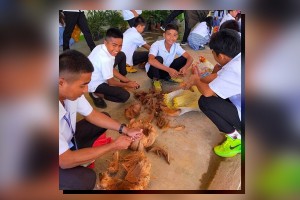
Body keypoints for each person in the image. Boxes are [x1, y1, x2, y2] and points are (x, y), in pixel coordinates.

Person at [59, 50, 142, 190]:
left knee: (104, 118)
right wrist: (113, 146)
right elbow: (64, 161)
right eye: (82, 85)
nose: (86, 90)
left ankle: (78, 152)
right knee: (87, 179)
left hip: (65, 140)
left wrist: (125, 129)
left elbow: (92, 115)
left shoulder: (70, 94)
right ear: (61, 82)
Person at [186, 29, 241, 157]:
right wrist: (198, 77)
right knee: (216, 95)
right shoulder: (238, 59)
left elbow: (207, 92)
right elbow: (213, 79)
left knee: (206, 102)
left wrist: (195, 80)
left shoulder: (233, 68)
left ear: (220, 56)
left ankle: (236, 140)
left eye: (213, 54)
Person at [88, 28, 140, 108]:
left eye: (120, 46)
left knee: (121, 55)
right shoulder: (105, 59)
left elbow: (111, 69)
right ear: (105, 42)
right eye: (114, 45)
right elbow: (111, 83)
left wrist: (126, 80)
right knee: (124, 96)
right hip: (94, 83)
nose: (117, 49)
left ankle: (123, 81)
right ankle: (95, 94)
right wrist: (126, 84)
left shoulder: (101, 47)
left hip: (98, 71)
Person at [145, 24, 193, 91]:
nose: (171, 37)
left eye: (174, 35)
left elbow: (190, 58)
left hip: (165, 70)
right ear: (164, 35)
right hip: (153, 72)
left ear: (177, 36)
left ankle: (166, 77)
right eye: (169, 34)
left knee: (184, 58)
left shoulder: (176, 46)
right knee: (158, 58)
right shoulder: (157, 45)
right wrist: (169, 70)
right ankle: (156, 81)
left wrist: (185, 68)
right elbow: (151, 60)